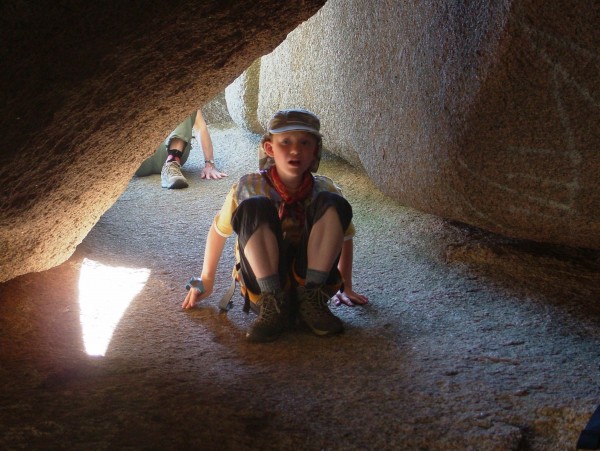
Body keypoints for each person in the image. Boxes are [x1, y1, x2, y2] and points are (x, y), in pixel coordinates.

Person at [182, 108, 368, 343]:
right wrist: (206, 279)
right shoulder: (247, 186)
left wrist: (346, 286)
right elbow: (219, 232)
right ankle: (274, 304)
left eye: (304, 143)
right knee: (254, 206)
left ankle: (311, 300)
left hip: (314, 280)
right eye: (285, 142)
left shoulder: (326, 188)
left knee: (334, 204)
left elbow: (345, 238)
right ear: (269, 148)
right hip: (263, 284)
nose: (295, 150)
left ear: (315, 150)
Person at [135, 109, 227, 188]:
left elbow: (200, 128)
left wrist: (209, 164)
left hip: (169, 153)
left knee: (187, 102)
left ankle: (172, 164)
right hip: (138, 157)